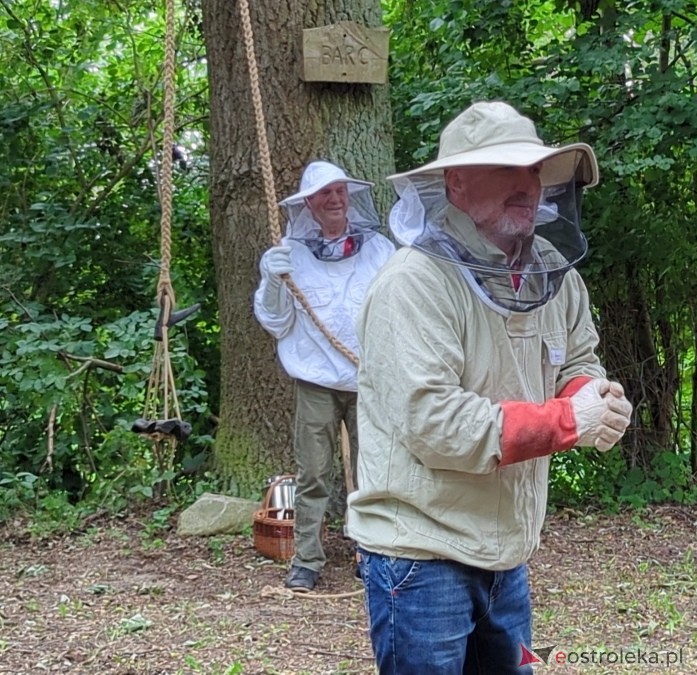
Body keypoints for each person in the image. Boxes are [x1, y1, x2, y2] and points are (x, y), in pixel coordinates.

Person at [348, 101, 633, 673]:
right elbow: (436, 424)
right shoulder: (415, 283)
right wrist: (568, 420)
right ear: (456, 182)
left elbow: (577, 358)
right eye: (507, 169)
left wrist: (595, 397)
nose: (527, 185)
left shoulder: (554, 272)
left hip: (507, 549)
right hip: (422, 553)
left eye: (534, 171)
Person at [253, 160, 395, 592]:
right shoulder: (287, 254)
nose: (334, 200)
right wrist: (273, 279)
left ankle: (370, 551)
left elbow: (397, 308)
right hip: (315, 380)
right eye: (324, 194)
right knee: (313, 473)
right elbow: (275, 322)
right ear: (309, 204)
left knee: (371, 469)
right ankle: (307, 560)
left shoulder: (378, 250)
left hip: (368, 378)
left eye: (340, 192)